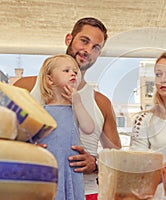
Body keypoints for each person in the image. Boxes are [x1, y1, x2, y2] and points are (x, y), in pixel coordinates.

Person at [13, 17, 122, 199]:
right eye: (84, 41)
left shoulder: (102, 102)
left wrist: (95, 164)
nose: (88, 50)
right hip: (32, 189)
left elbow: (117, 158)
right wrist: (23, 151)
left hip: (85, 192)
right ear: (68, 39)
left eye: (96, 47)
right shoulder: (24, 87)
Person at [37, 54, 94, 200]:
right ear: (50, 79)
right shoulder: (39, 110)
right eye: (66, 70)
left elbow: (88, 128)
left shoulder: (75, 108)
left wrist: (78, 103)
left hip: (70, 168)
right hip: (48, 169)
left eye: (74, 71)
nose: (73, 73)